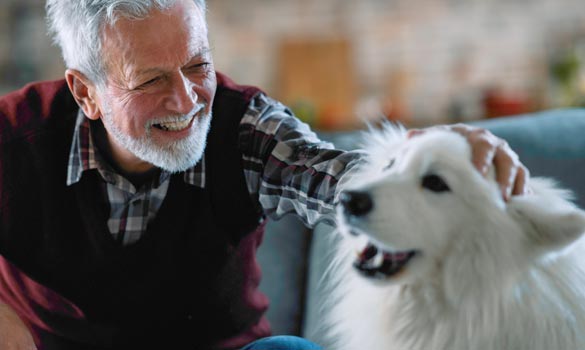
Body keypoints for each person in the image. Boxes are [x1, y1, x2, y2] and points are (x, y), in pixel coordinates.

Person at [0, 0, 528, 349]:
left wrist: (422, 165)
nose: (186, 101)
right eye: (151, 79)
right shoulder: (12, 142)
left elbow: (332, 177)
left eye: (197, 65)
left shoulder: (244, 127)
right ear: (85, 92)